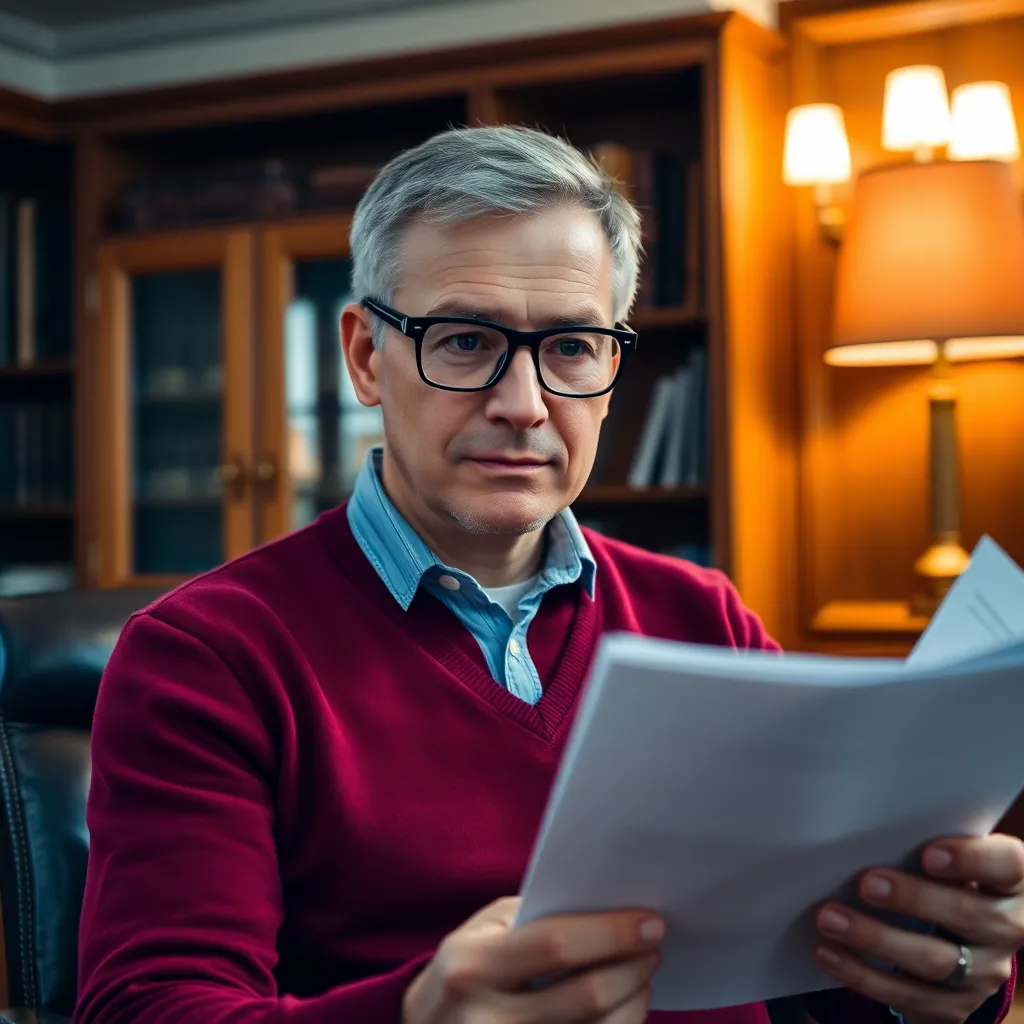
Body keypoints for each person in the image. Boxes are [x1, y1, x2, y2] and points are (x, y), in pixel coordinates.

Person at [74, 126, 1023, 1024]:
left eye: (570, 347)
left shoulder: (703, 616)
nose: (524, 405)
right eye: (465, 340)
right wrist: (414, 1014)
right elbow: (150, 1009)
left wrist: (940, 973)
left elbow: (830, 984)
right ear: (366, 357)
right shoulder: (206, 656)